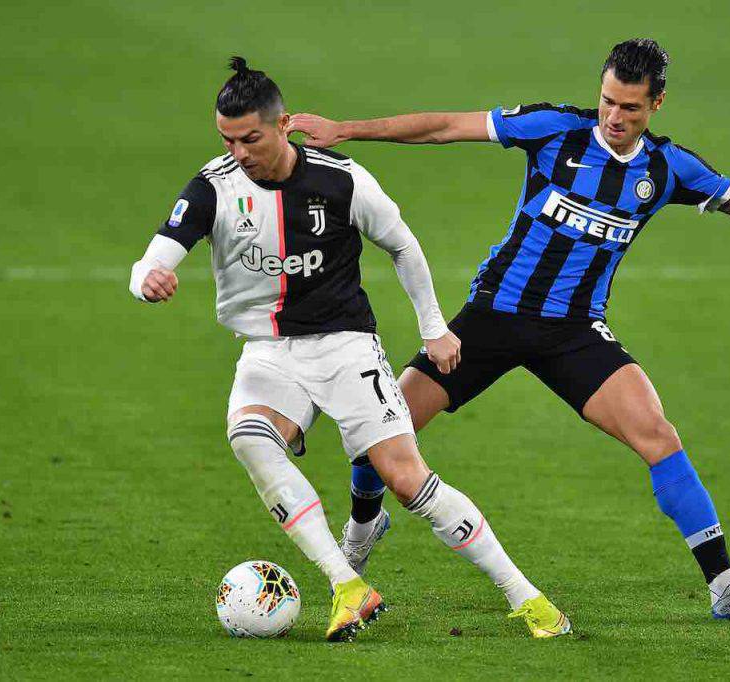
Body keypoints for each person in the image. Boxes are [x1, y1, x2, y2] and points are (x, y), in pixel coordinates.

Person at [288, 38, 730, 620]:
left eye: (629, 107)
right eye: (606, 101)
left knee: (657, 432)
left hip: (575, 332)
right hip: (493, 318)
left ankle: (726, 586)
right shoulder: (553, 132)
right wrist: (345, 129)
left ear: (656, 103)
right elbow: (445, 128)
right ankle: (365, 524)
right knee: (378, 429)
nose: (613, 117)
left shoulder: (668, 169)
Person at [129, 57, 571, 641]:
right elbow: (154, 257)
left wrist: (434, 329)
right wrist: (147, 281)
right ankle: (348, 584)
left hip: (346, 348)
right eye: (227, 139)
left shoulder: (342, 179)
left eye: (250, 138)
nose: (238, 151)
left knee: (406, 479)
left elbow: (403, 246)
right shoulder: (213, 188)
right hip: (267, 350)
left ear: (283, 124)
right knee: (249, 437)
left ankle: (529, 599)